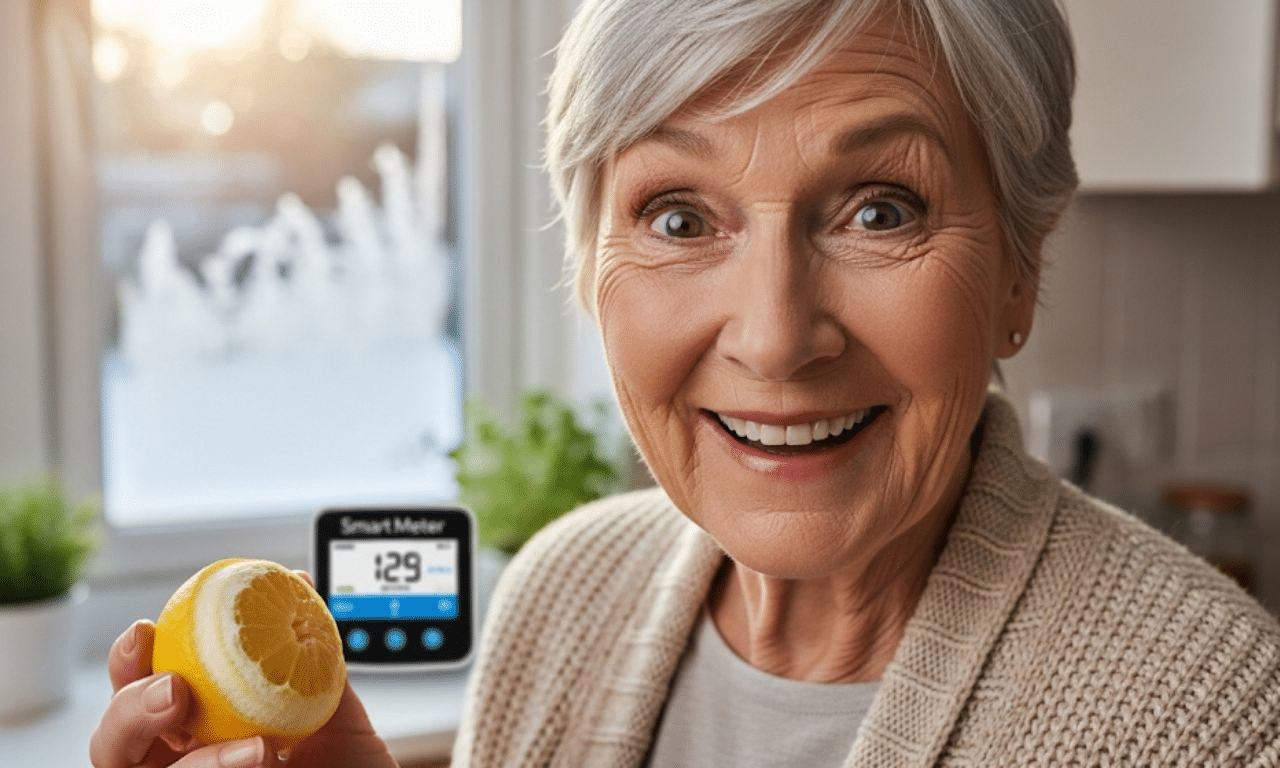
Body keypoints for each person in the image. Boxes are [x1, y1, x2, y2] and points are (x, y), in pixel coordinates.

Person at [93, 1, 1280, 766]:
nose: (771, 337)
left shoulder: (1207, 716)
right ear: (586, 267)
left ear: (1021, 270)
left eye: (880, 209)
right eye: (676, 214)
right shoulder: (558, 596)